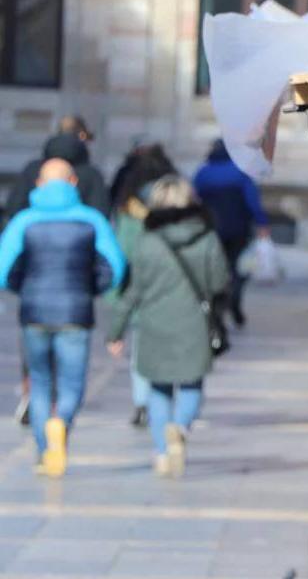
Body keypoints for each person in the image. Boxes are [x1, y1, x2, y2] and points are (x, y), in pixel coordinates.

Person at [0, 158, 126, 477]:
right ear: (73, 182)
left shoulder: (24, 221)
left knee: (40, 381)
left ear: (39, 184)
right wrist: (91, 288)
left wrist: (22, 288)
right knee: (72, 382)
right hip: (76, 311)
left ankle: (44, 451)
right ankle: (62, 421)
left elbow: (3, 269)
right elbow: (115, 267)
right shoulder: (92, 220)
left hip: (34, 312)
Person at [106, 175, 230, 477]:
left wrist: (116, 331)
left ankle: (162, 451)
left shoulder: (147, 242)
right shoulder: (207, 238)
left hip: (154, 325)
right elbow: (219, 282)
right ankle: (182, 428)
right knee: (192, 383)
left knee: (158, 389)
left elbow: (133, 291)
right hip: (194, 324)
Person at [5, 116, 110, 426]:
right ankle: (60, 417)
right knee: (72, 368)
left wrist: (18, 281)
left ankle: (35, 406)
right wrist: (97, 283)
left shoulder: (30, 177)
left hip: (35, 284)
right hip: (77, 286)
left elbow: (12, 219)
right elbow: (107, 243)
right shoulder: (90, 177)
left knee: (37, 361)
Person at [107, 142, 178, 428]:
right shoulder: (176, 202)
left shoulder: (129, 207)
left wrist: (117, 292)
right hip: (172, 285)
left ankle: (141, 403)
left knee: (140, 348)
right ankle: (162, 396)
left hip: (140, 282)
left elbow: (122, 250)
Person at [192, 139, 269, 328]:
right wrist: (262, 223)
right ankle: (234, 298)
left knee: (214, 269)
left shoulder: (203, 174)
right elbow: (252, 202)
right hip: (238, 230)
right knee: (237, 269)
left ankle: (216, 307)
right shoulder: (241, 174)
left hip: (211, 231)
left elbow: (193, 201)